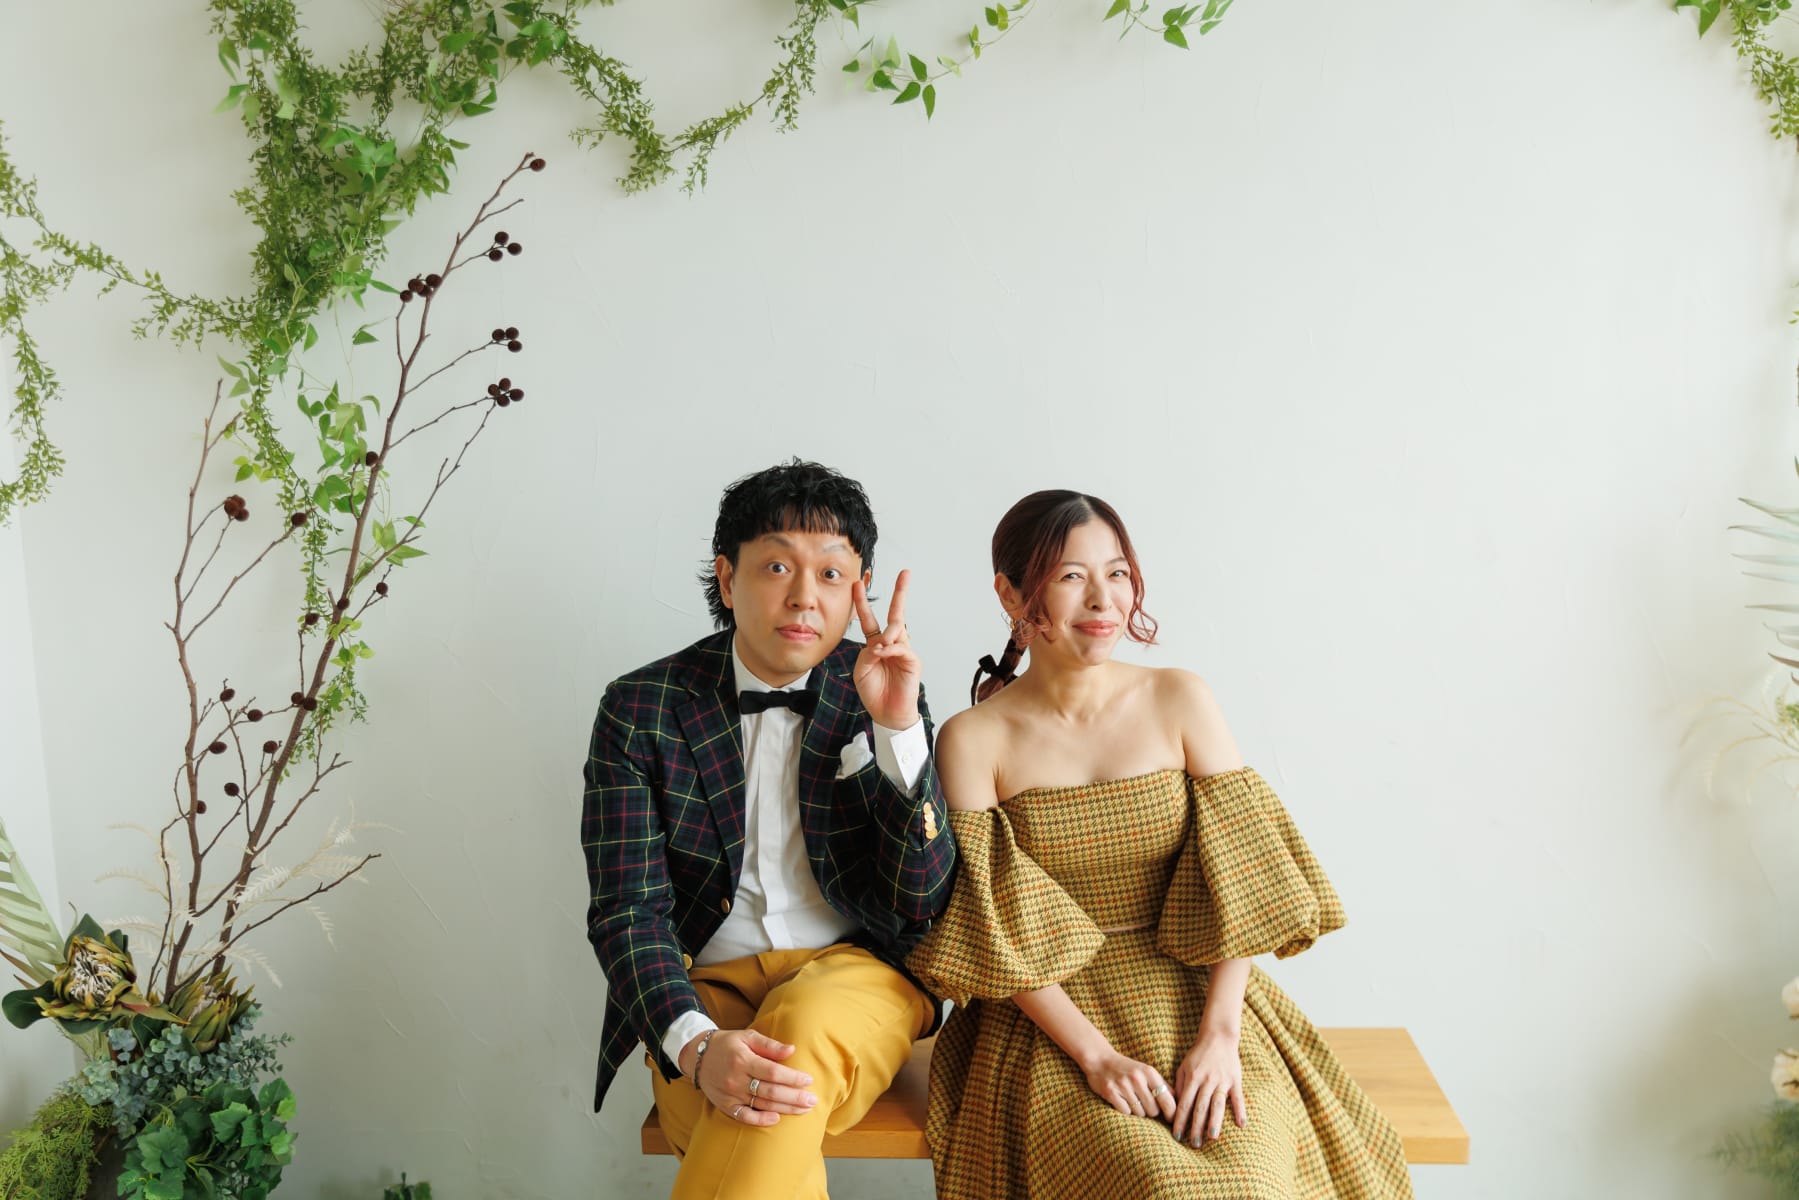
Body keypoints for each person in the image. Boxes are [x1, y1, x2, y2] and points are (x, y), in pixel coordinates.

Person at [905, 489, 1413, 1199]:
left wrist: (1221, 1038)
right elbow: (990, 925)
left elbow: (1244, 881)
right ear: (1011, 594)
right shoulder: (973, 739)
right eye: (1071, 576)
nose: (1102, 599)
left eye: (1116, 573)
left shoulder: (1180, 699)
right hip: (1051, 1020)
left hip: (1200, 997)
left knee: (1251, 1180)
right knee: (1157, 1183)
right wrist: (1096, 1058)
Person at [579, 460, 955, 1200]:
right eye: (777, 566)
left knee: (800, 1029)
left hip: (859, 975)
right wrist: (696, 1046)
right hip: (703, 987)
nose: (804, 596)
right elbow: (627, 910)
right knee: (762, 1113)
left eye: (831, 574)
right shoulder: (640, 708)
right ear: (727, 579)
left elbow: (922, 900)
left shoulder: (885, 691)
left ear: (859, 589)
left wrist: (896, 729)